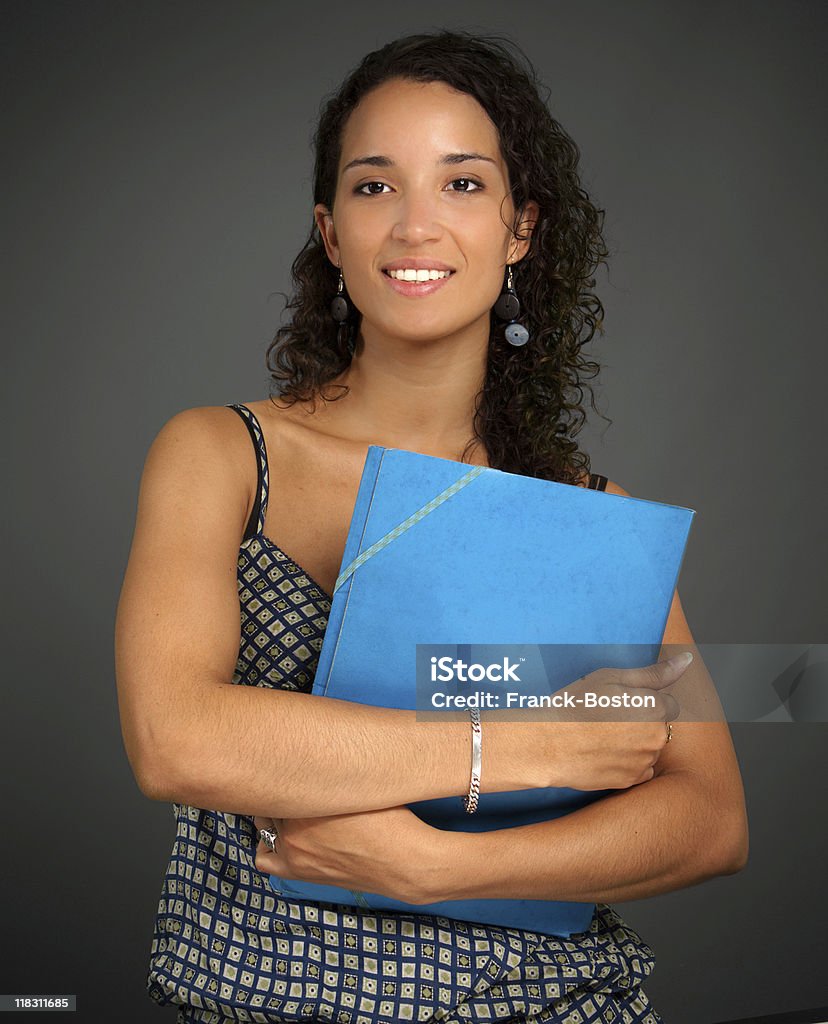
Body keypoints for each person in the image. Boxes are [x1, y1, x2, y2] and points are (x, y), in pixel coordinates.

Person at [115, 29, 748, 1024]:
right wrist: (533, 744)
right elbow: (176, 738)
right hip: (260, 1001)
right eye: (375, 186)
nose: (415, 225)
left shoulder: (589, 516)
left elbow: (710, 817)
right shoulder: (222, 454)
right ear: (330, 232)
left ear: (521, 228)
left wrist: (438, 867)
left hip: (555, 1005)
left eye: (461, 185)